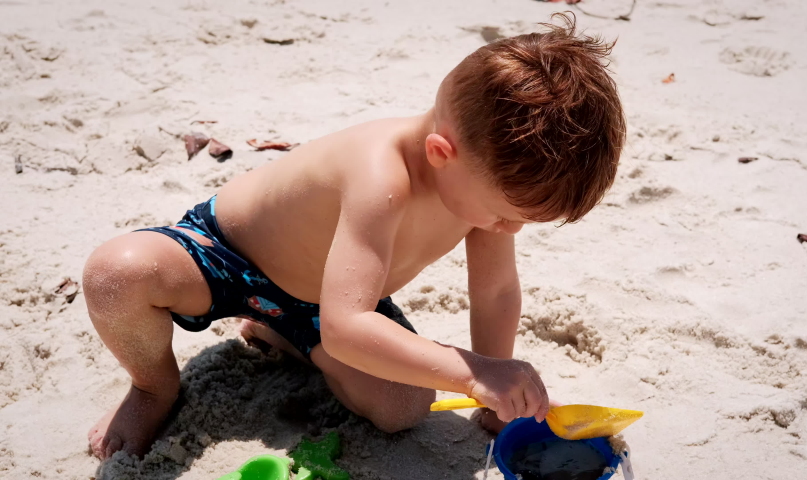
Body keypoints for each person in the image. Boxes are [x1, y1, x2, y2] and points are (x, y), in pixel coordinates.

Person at [84, 13, 625, 460]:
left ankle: (278, 332)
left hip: (327, 301)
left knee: (403, 407)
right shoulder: (379, 176)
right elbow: (350, 328)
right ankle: (154, 386)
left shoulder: (479, 189)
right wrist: (476, 371)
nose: (512, 229)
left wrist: (493, 386)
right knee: (117, 274)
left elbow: (495, 292)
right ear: (441, 155)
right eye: (507, 216)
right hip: (226, 256)